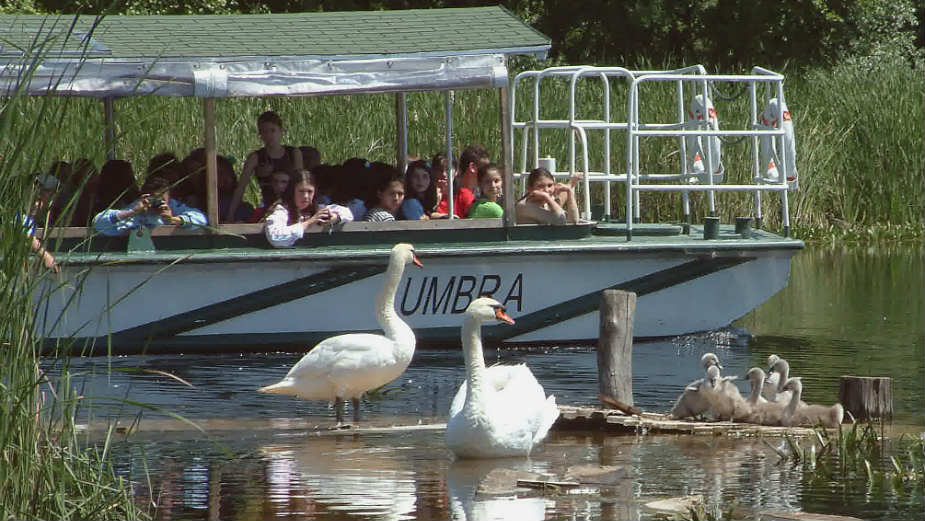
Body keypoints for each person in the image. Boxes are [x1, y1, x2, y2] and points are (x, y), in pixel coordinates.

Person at [228, 110, 303, 221]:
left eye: (272, 130)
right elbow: (241, 187)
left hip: (292, 206)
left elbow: (301, 184)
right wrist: (230, 215)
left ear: (281, 131)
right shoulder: (256, 157)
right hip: (270, 208)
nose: (269, 135)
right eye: (264, 132)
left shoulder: (293, 153)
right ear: (260, 134)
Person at [93, 175, 207, 236]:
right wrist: (132, 213)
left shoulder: (174, 206)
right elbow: (98, 223)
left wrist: (173, 220)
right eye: (153, 199)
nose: (156, 203)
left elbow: (201, 219)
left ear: (169, 197)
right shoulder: (138, 207)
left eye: (161, 199)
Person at [264, 170, 352, 248]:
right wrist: (309, 223)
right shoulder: (281, 211)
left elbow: (347, 213)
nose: (306, 196)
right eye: (301, 191)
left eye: (309, 192)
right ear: (292, 191)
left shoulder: (318, 209)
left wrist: (335, 217)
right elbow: (276, 238)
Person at [515, 167, 579, 225]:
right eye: (540, 186)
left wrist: (569, 191)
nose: (546, 190)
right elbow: (561, 220)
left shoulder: (546, 203)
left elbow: (573, 221)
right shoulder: (524, 206)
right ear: (529, 189)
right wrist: (547, 197)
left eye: (550, 185)